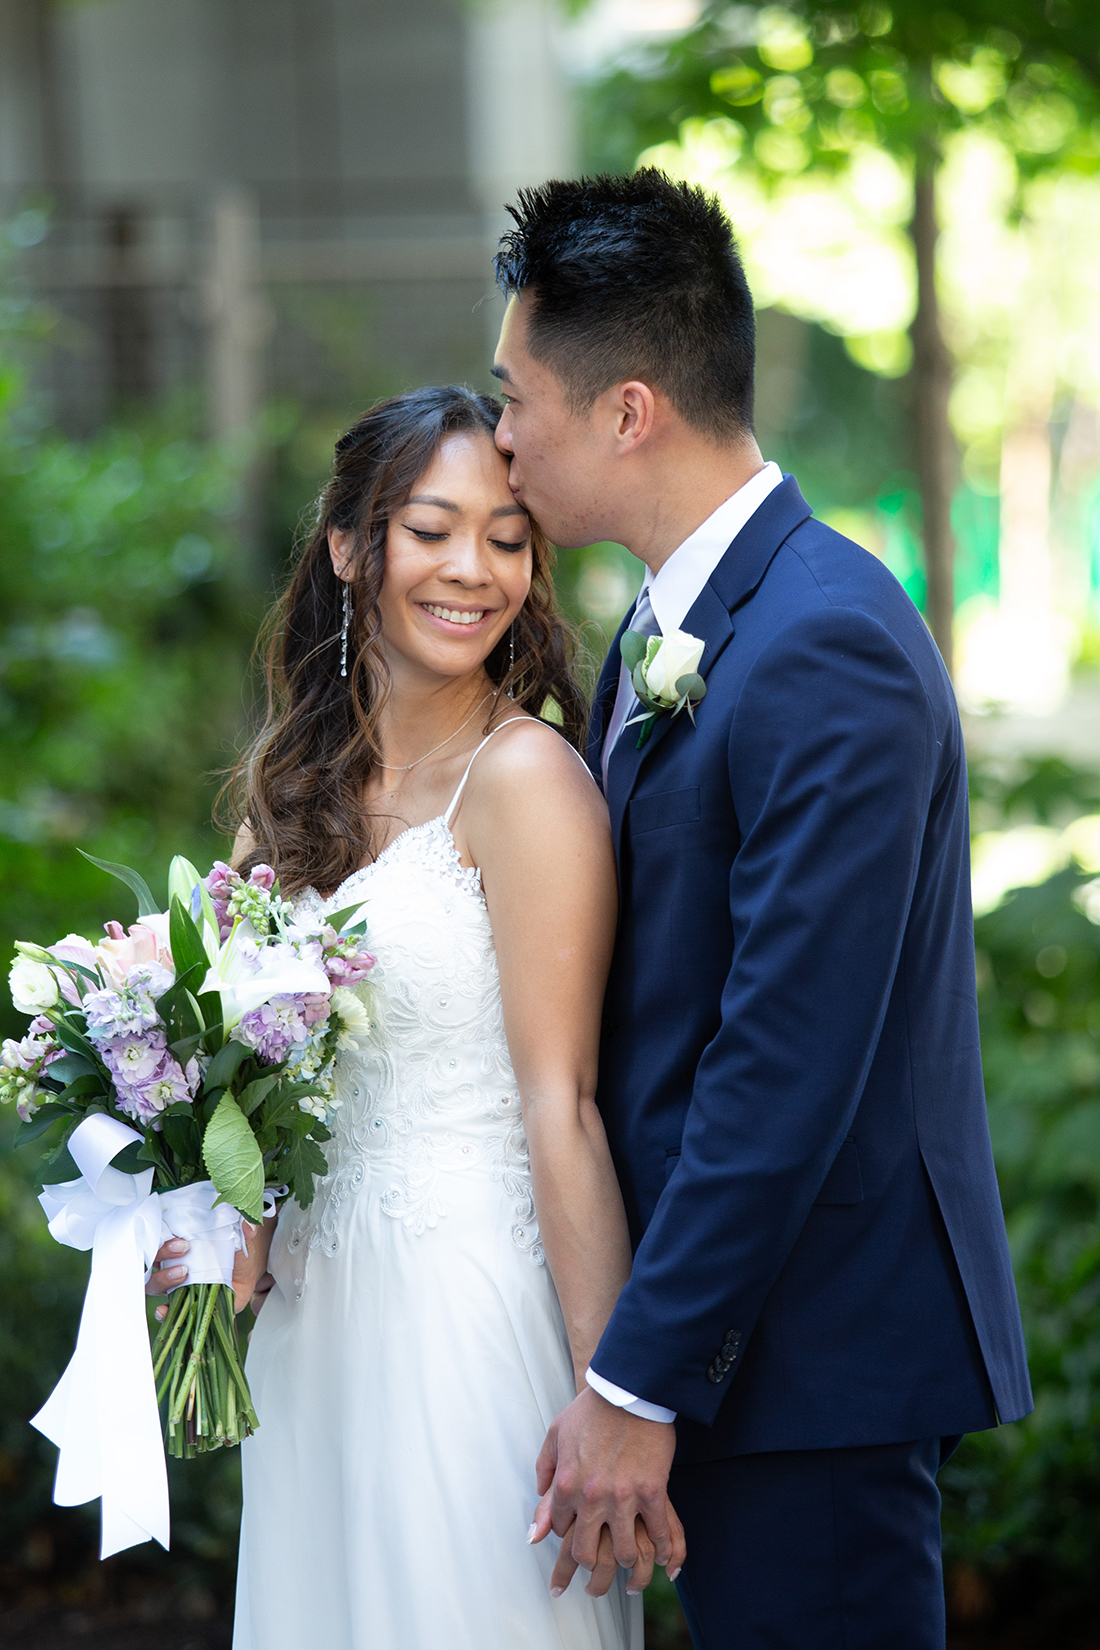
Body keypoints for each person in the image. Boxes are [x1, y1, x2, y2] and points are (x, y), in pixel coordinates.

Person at [490, 172, 1033, 1648]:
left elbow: (783, 1059)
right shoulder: (668, 626)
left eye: (515, 393)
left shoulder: (826, 641)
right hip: (737, 1353)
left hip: (813, 1366)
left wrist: (636, 1374)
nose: (499, 435)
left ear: (626, 411)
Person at [148, 385, 670, 1648]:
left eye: (505, 537)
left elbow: (566, 1107)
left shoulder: (528, 782)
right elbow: (249, 1100)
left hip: (463, 1314)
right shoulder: (286, 792)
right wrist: (203, 1272)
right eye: (430, 529)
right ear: (347, 546)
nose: (471, 570)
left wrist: (617, 1399)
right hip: (317, 1338)